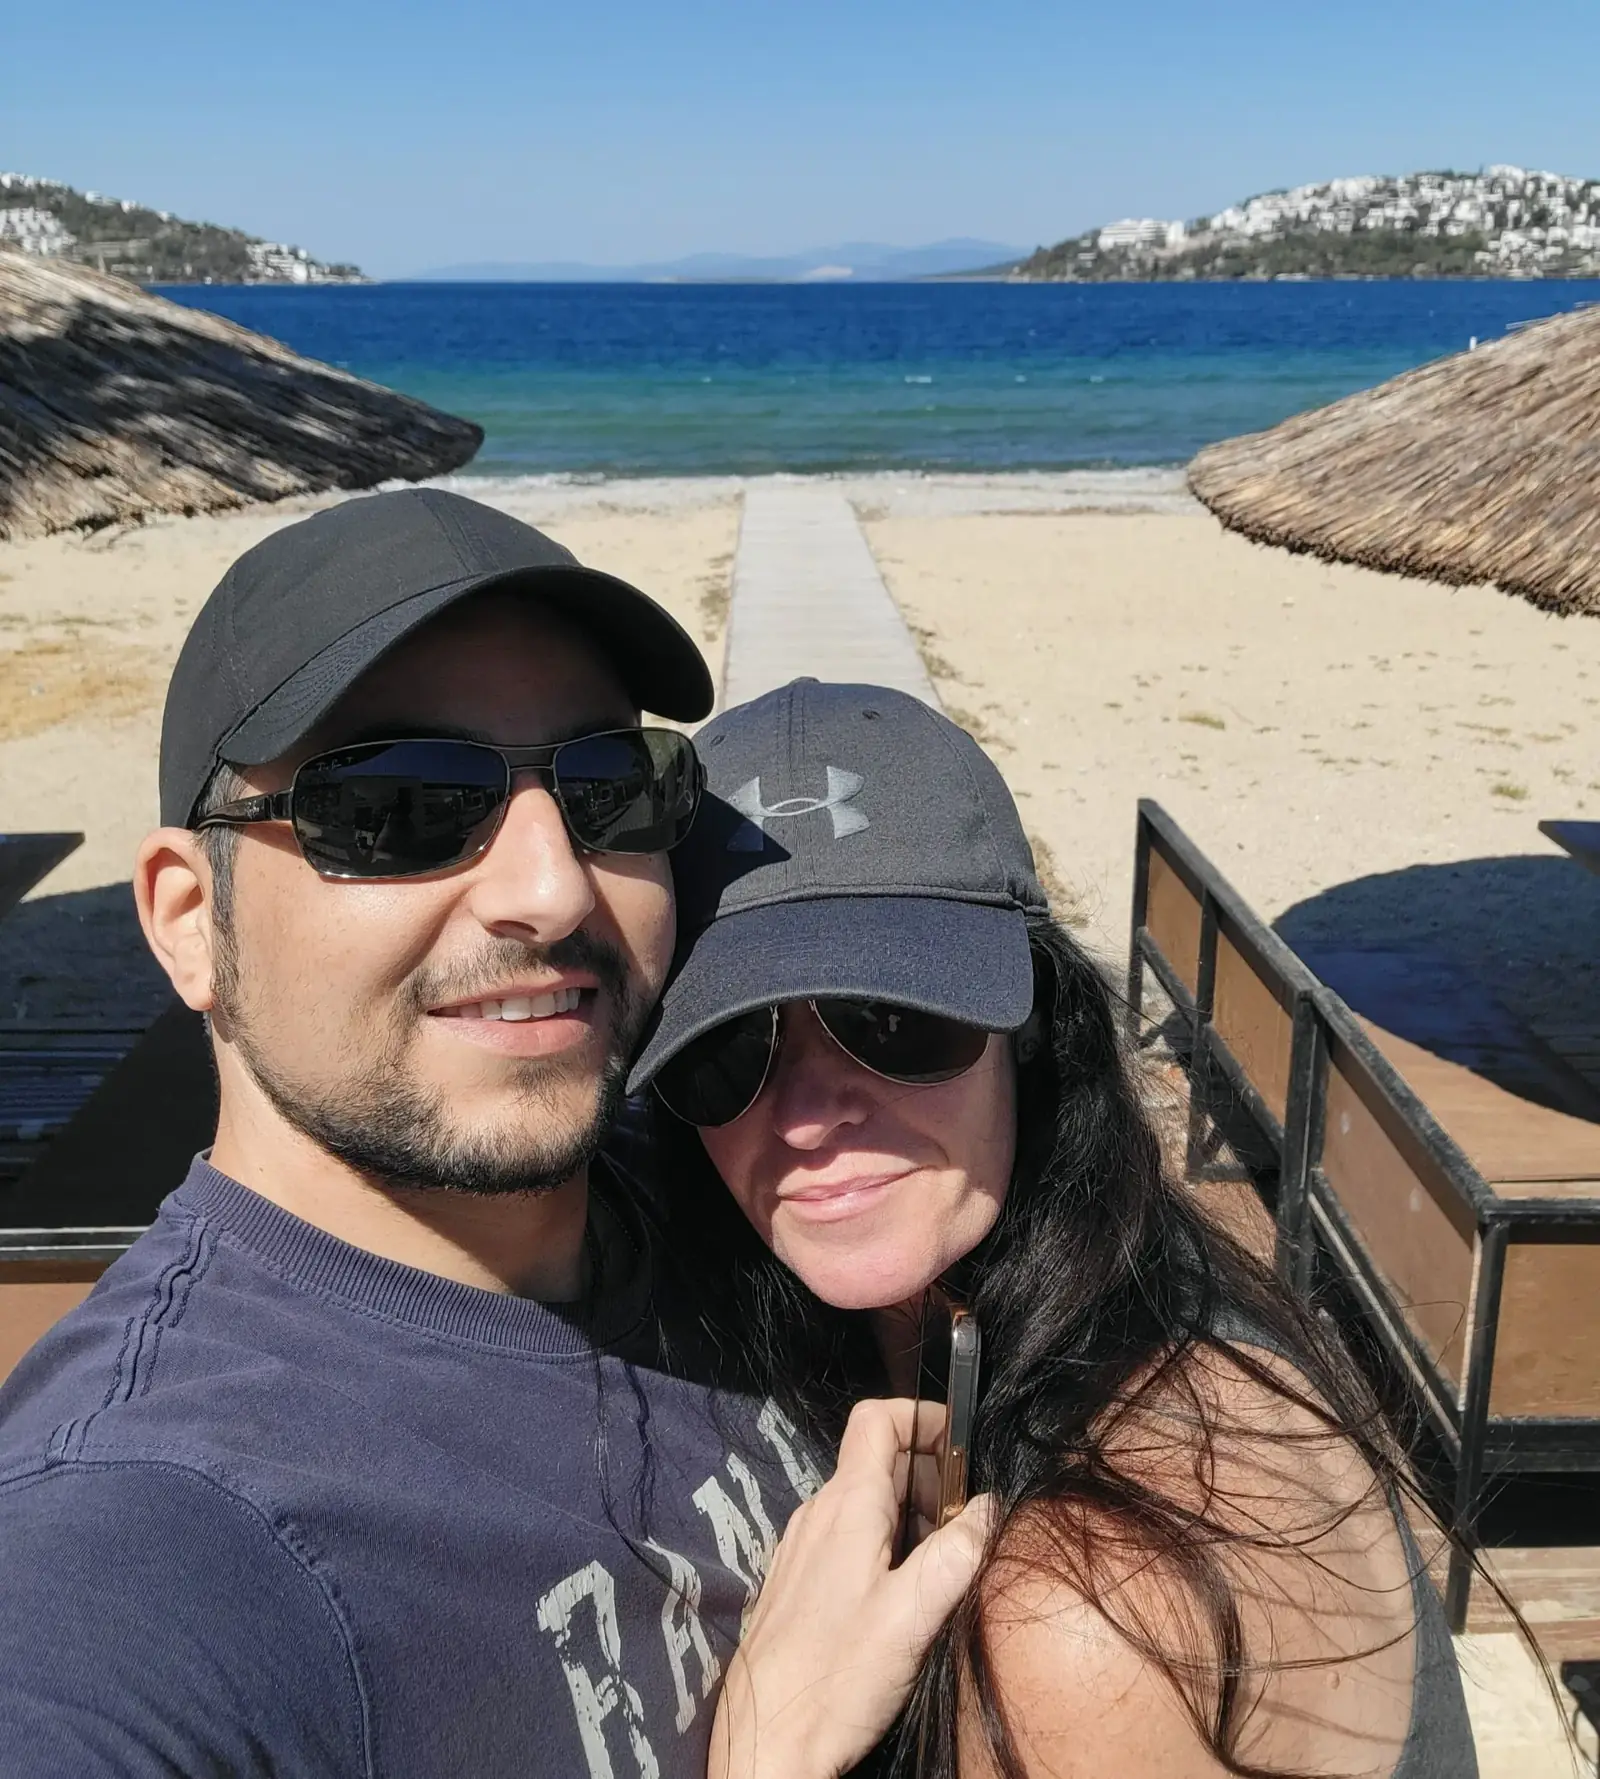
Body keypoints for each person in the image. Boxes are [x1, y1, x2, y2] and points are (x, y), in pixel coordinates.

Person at [0, 495, 985, 1779]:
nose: (553, 886)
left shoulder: (706, 1171)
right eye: (400, 804)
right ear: (190, 920)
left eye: (605, 788)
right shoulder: (143, 1550)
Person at [628, 677, 1479, 1779]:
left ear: (1032, 1029)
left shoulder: (1080, 1617)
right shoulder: (1117, 1290)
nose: (804, 1113)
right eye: (726, 1047)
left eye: (892, 1019)